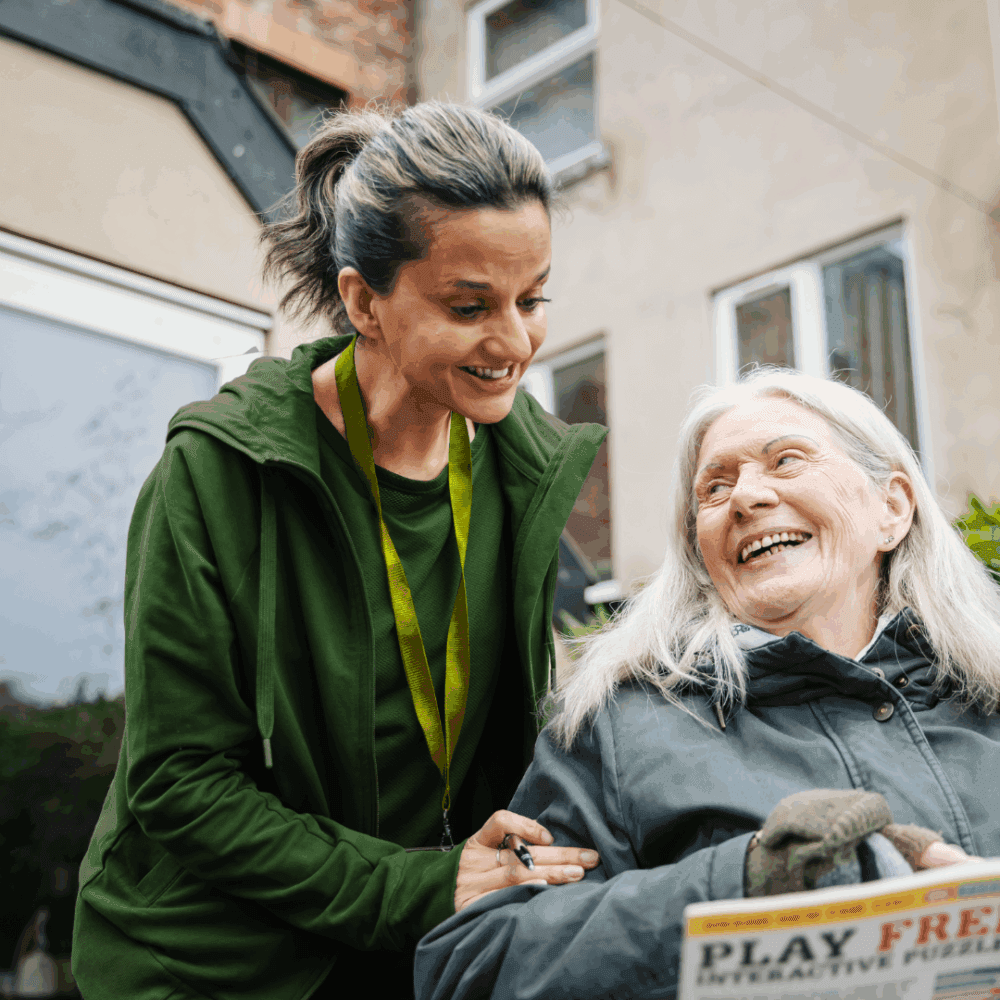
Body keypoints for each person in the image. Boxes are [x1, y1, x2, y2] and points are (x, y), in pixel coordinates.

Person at [71, 102, 605, 1000]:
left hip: (411, 951)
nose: (515, 342)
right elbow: (180, 782)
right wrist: (419, 887)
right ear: (364, 300)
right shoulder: (219, 474)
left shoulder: (523, 472)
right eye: (469, 305)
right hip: (210, 967)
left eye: (533, 297)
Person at [414, 367, 1000, 1000]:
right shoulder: (623, 730)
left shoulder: (984, 691)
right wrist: (739, 885)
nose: (746, 497)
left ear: (892, 508)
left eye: (787, 461)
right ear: (701, 553)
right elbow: (473, 966)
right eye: (715, 488)